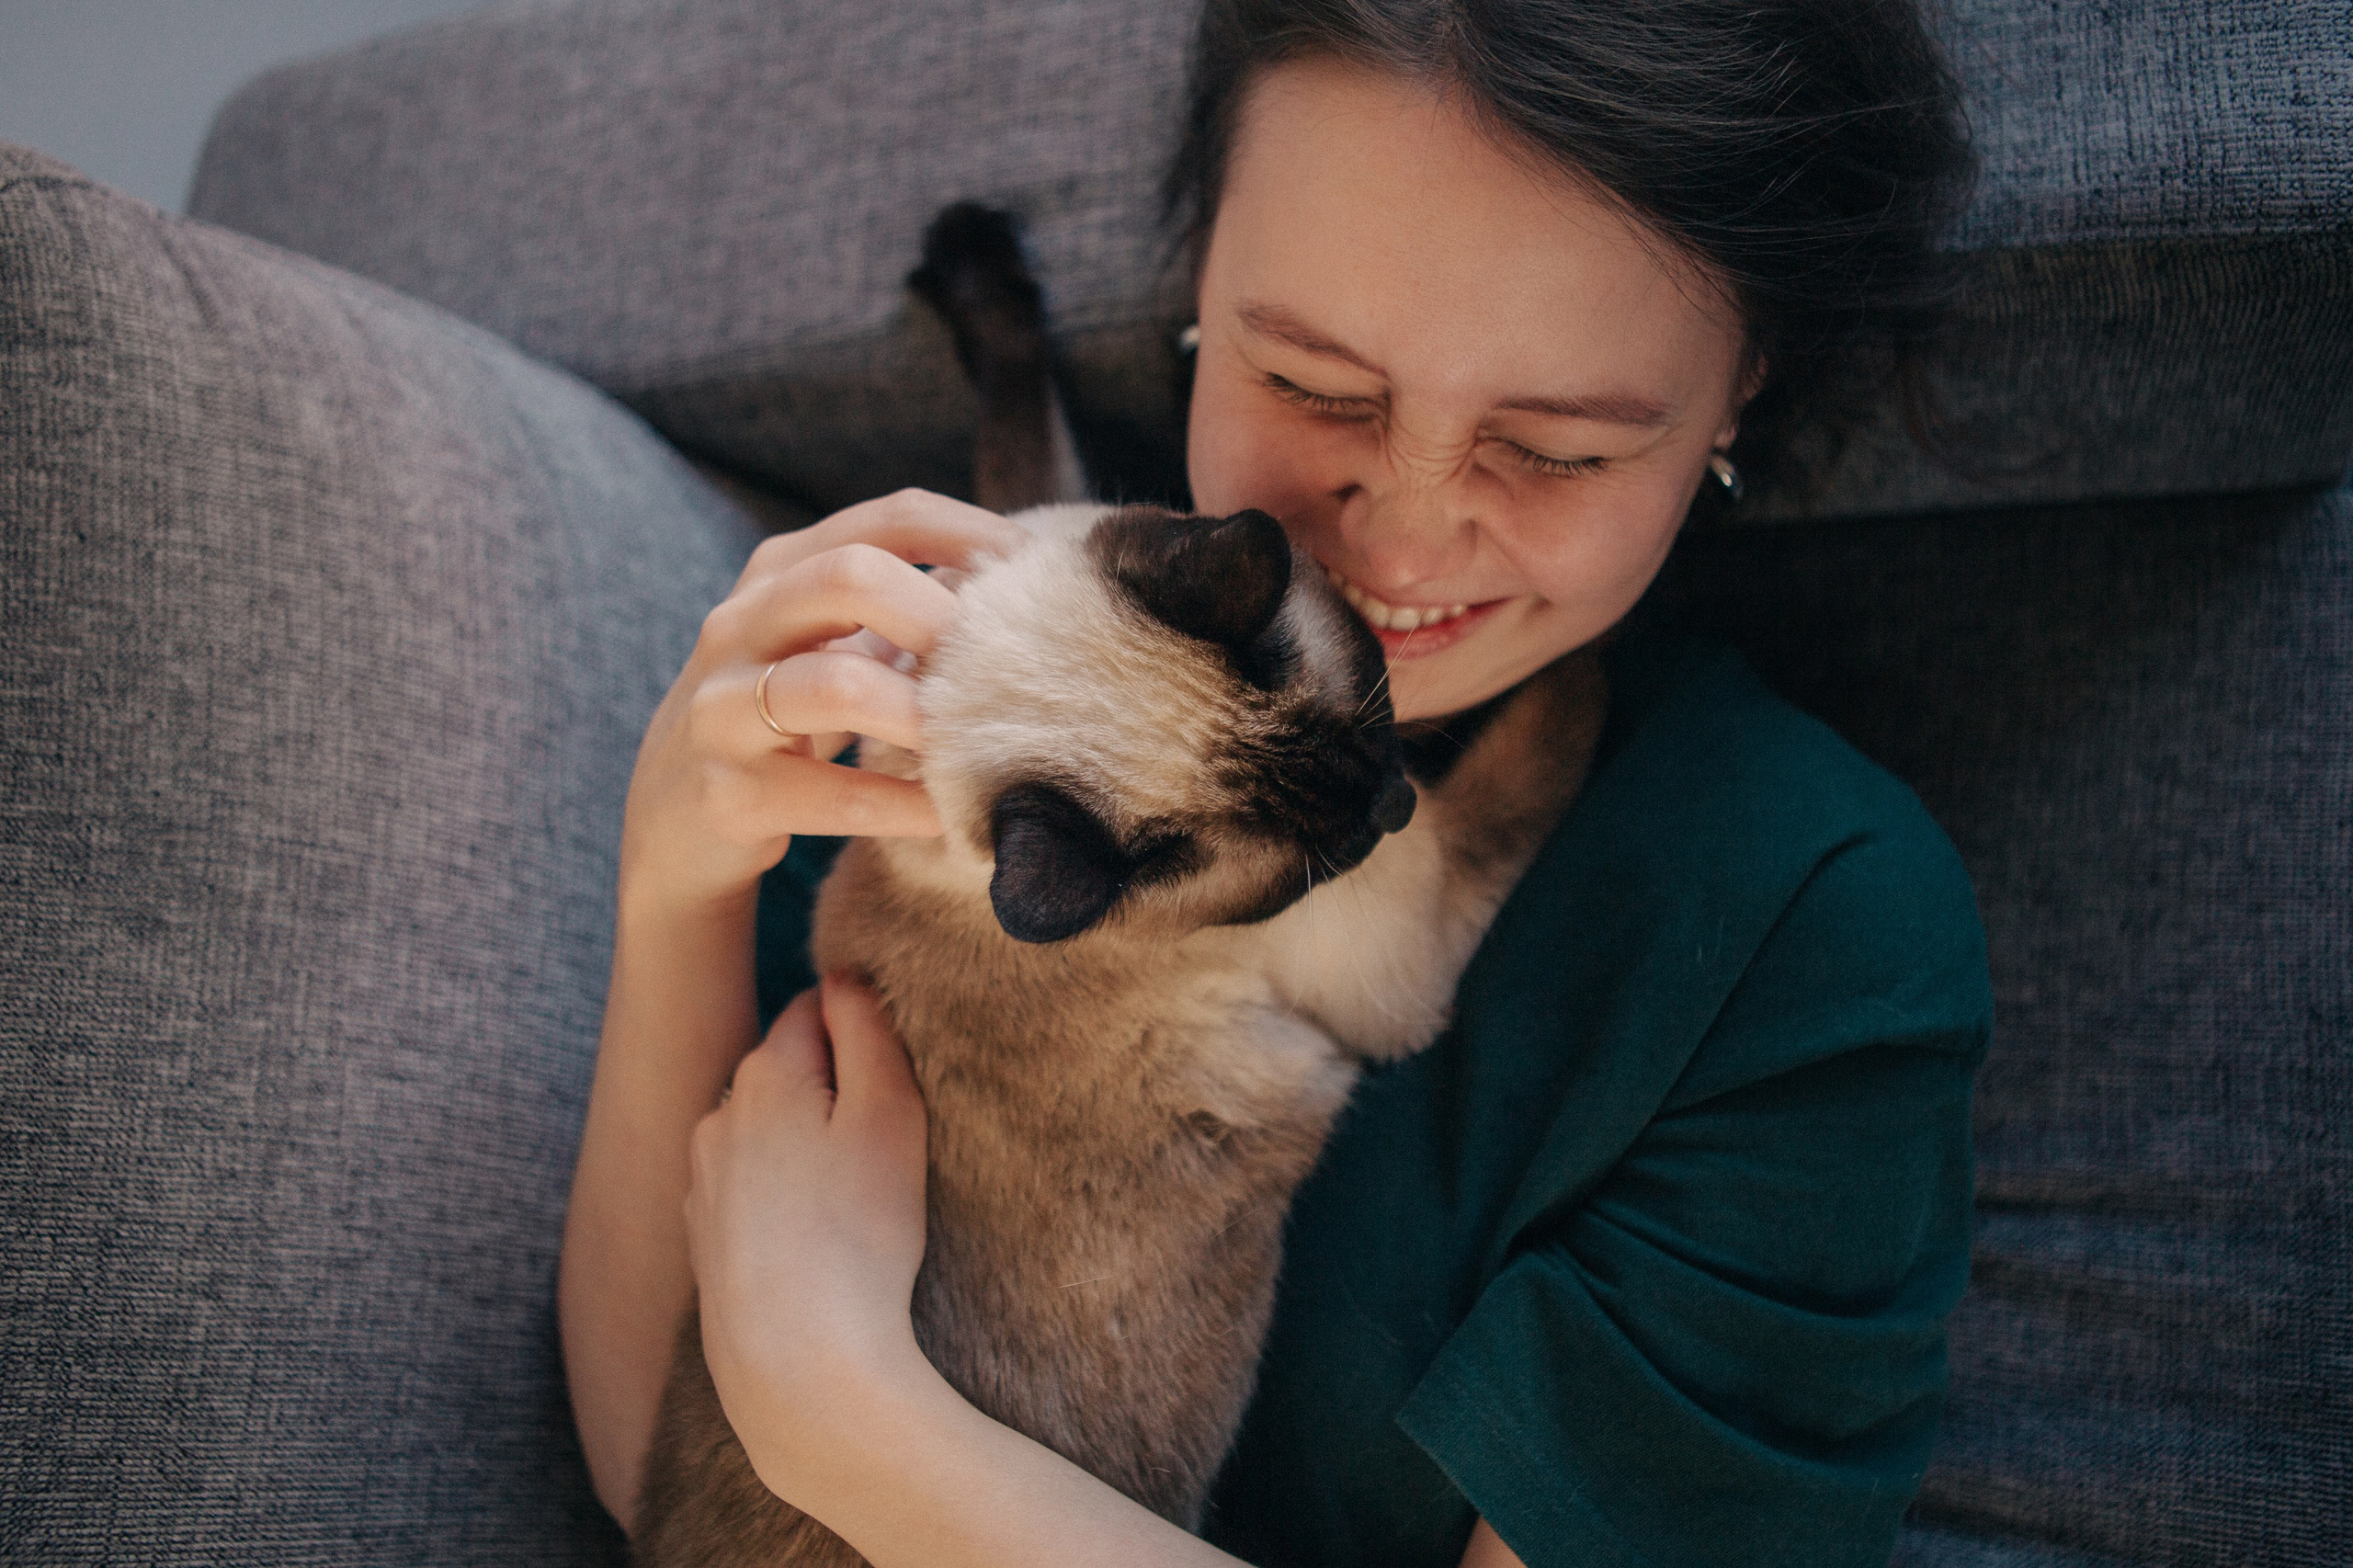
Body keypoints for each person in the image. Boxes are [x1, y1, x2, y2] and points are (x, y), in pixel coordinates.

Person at [557, 0, 1991, 1563]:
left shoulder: (1809, 923)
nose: (1403, 538)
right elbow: (655, 1466)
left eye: (1558, 448)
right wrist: (672, 875)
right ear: (1201, 290)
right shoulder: (986, 715)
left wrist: (840, 1409)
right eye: (1314, 382)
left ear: (1739, 393)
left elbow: (767, 1412)